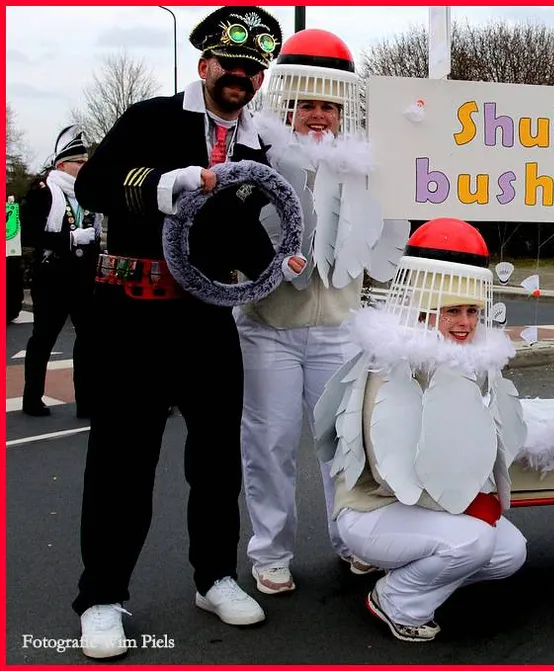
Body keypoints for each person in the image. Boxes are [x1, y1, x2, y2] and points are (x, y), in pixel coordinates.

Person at [70, 6, 293, 659]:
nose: (242, 77)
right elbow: (94, 183)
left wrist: (277, 263)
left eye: (253, 69)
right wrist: (166, 185)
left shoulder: (254, 146)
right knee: (122, 461)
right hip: (131, 313)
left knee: (217, 458)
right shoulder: (151, 117)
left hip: (205, 317)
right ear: (205, 65)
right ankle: (101, 596)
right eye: (232, 65)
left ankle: (215, 576)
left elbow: (237, 229)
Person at [239, 28, 408, 594]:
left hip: (339, 327)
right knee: (270, 443)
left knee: (343, 443)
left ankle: (353, 539)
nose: (317, 115)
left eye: (328, 106)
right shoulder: (258, 159)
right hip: (268, 326)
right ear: (287, 105)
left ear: (342, 112)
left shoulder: (367, 167)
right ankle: (271, 553)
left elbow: (392, 231)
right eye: (306, 104)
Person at [313, 217, 527, 643]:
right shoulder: (391, 366)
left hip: (424, 508)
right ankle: (396, 600)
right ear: (426, 310)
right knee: (473, 541)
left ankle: (416, 574)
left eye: (472, 311)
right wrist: (466, 505)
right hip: (374, 508)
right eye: (452, 311)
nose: (465, 323)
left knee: (509, 552)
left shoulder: (463, 361)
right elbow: (391, 469)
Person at [19, 126, 101, 418]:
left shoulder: (88, 195)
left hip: (83, 278)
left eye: (86, 162)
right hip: (52, 278)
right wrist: (69, 239)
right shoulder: (43, 192)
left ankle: (86, 401)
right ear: (62, 165)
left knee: (88, 341)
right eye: (79, 162)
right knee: (43, 339)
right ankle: (32, 398)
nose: (84, 166)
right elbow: (29, 234)